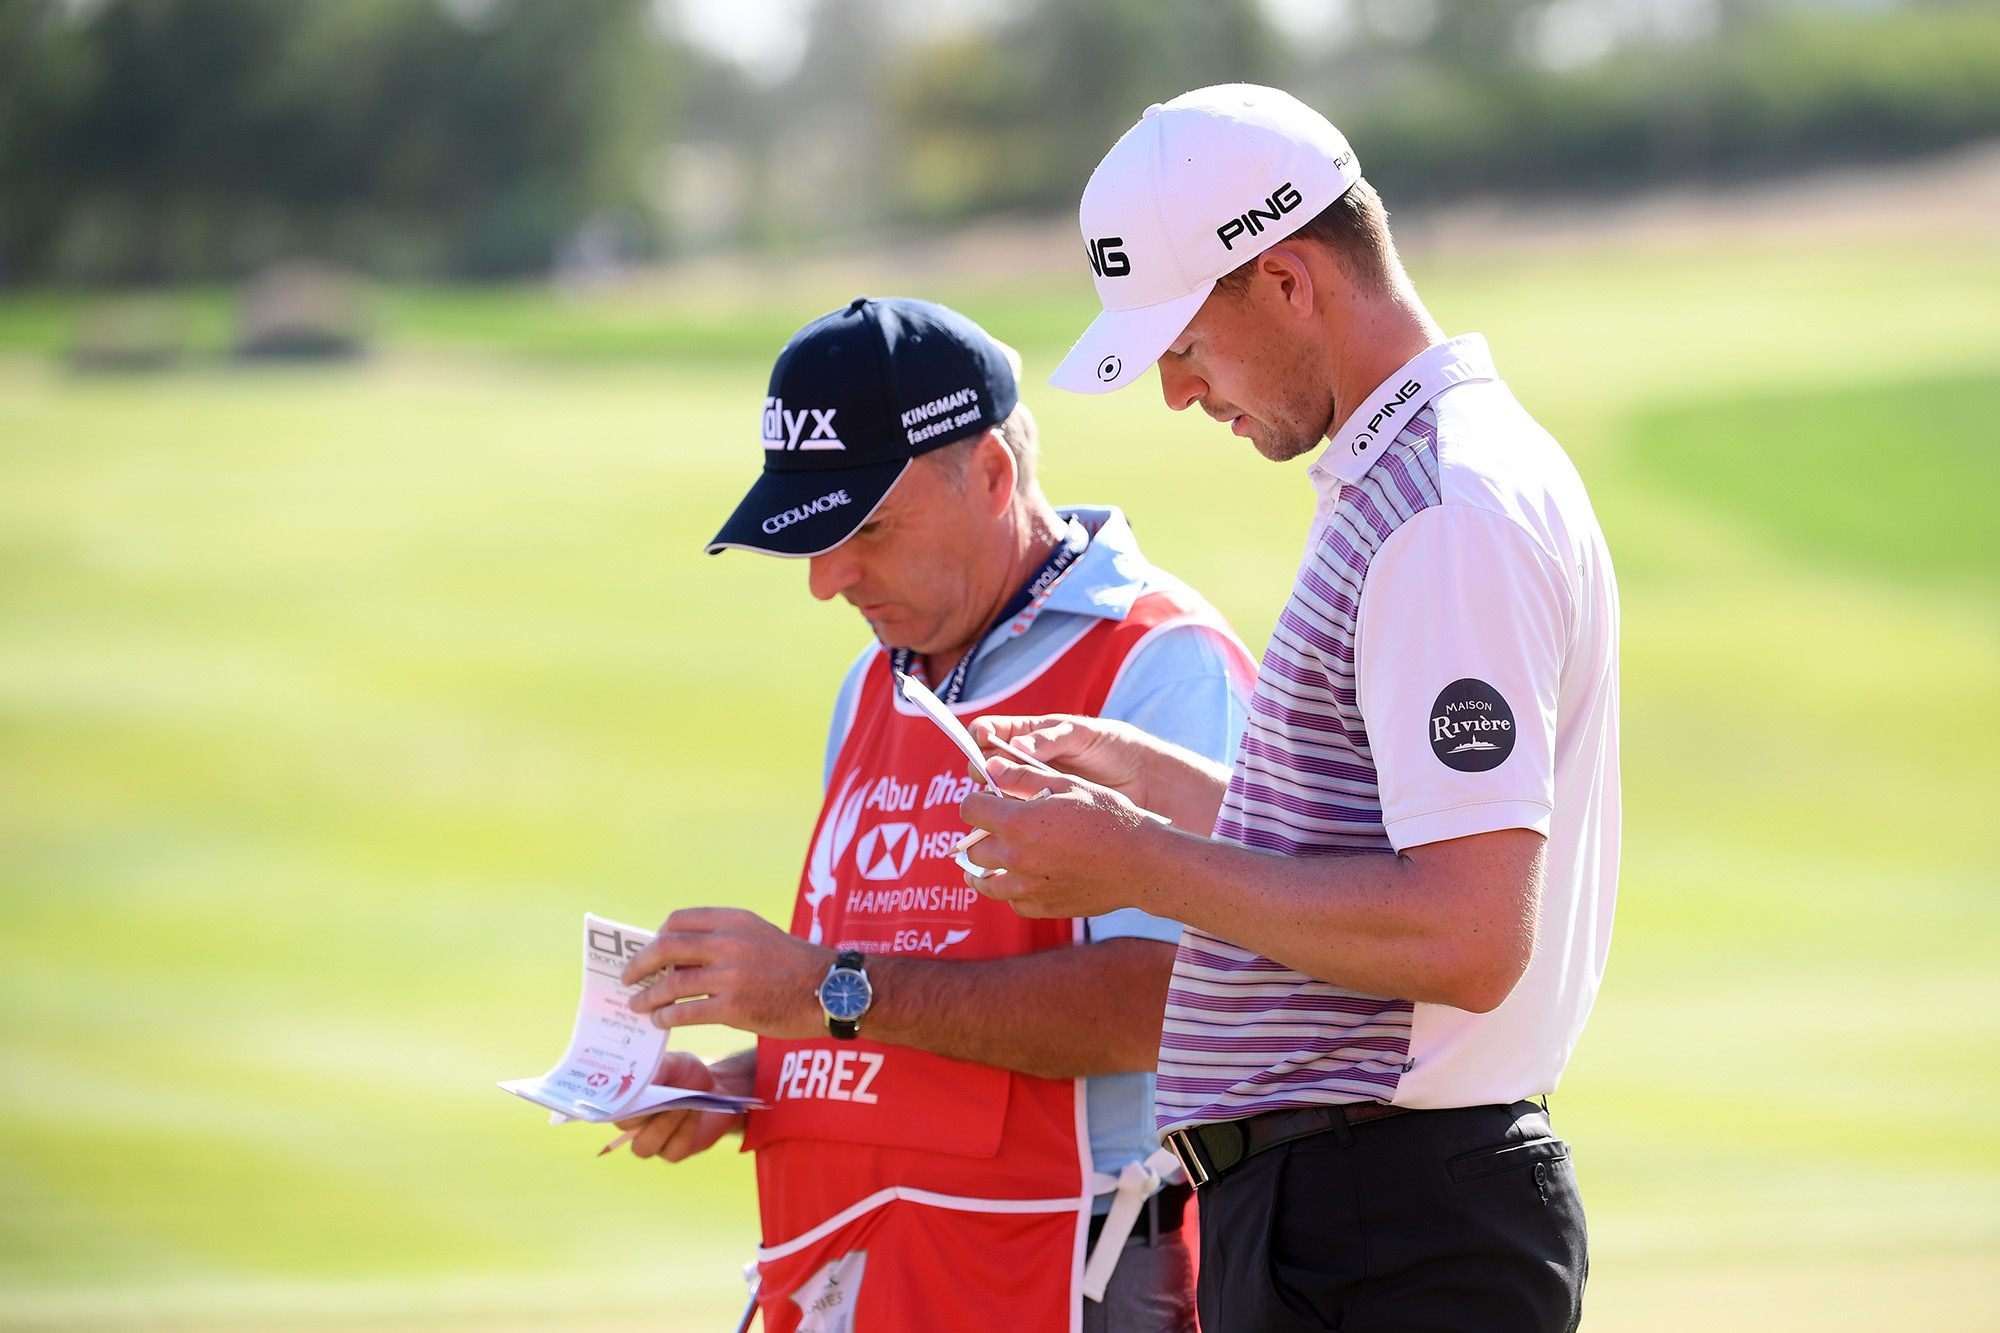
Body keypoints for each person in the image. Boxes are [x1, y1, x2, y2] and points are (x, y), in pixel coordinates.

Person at [958, 85, 1620, 1333]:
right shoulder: (1416, 478)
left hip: (1390, 1224)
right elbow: (1387, 857)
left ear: (1286, 281)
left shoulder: (1440, 511)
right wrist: (1161, 790)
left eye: (1184, 346)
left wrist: (1140, 860)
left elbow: (1464, 935)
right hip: (1370, 1217)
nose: (1175, 393)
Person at [612, 296, 1256, 1333]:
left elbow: (1167, 1007)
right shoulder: (875, 680)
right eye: (811, 540)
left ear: (993, 476)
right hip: (850, 1263)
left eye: (866, 529)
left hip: (1057, 1265)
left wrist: (819, 988)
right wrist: (747, 1080)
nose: (829, 581)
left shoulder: (1157, 659)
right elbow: (894, 1001)